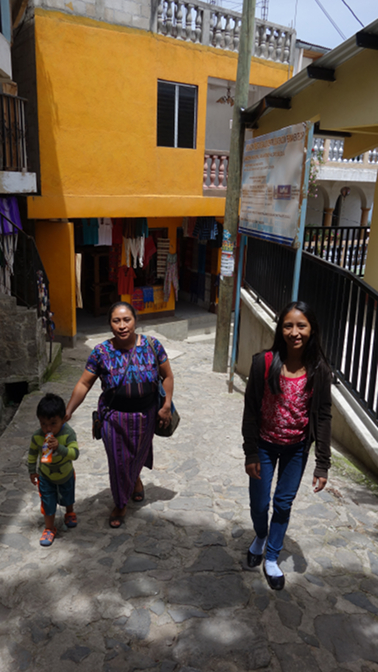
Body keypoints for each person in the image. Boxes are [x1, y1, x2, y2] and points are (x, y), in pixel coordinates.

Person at [242, 301, 332, 590]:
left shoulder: (320, 370)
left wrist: (322, 463)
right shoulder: (263, 363)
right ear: (280, 330)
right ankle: (260, 534)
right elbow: (251, 410)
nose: (295, 332)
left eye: (301, 325)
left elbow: (324, 415)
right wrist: (251, 451)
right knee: (260, 503)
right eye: (288, 325)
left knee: (282, 504)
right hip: (264, 447)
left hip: (296, 449)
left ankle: (271, 556)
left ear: (312, 330)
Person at [65, 301, 173, 528]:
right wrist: (69, 410)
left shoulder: (153, 345)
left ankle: (135, 479)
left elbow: (168, 376)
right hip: (114, 418)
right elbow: (84, 383)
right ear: (110, 324)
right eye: (116, 321)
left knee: (139, 454)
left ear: (135, 320)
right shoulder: (101, 352)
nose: (122, 325)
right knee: (118, 461)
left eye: (127, 320)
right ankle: (120, 502)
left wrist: (166, 405)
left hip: (147, 414)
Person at [28, 393, 79, 547]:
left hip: (65, 473)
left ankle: (69, 511)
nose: (47, 428)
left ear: (63, 419)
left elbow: (74, 454)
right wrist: (32, 471)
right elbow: (32, 454)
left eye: (53, 423)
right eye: (43, 424)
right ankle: (49, 528)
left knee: (67, 494)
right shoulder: (38, 436)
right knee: (47, 501)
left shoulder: (68, 433)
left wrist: (60, 448)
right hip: (46, 476)